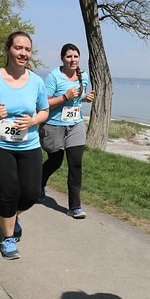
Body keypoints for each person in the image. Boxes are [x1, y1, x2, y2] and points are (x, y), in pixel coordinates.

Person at [0, 32, 49, 260]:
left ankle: (11, 216)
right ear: (8, 49)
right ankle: (7, 239)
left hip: (29, 145)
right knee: (10, 193)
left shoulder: (36, 81)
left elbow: (44, 110)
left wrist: (34, 120)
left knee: (31, 194)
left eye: (27, 49)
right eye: (18, 48)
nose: (23, 53)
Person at [41, 43, 95, 218]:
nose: (73, 60)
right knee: (55, 161)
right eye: (69, 57)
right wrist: (65, 97)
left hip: (75, 125)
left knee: (75, 164)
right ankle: (38, 184)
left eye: (75, 56)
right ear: (62, 58)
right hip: (54, 125)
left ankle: (75, 206)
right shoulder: (53, 77)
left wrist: (85, 98)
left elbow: (77, 99)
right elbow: (44, 103)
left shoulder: (83, 76)